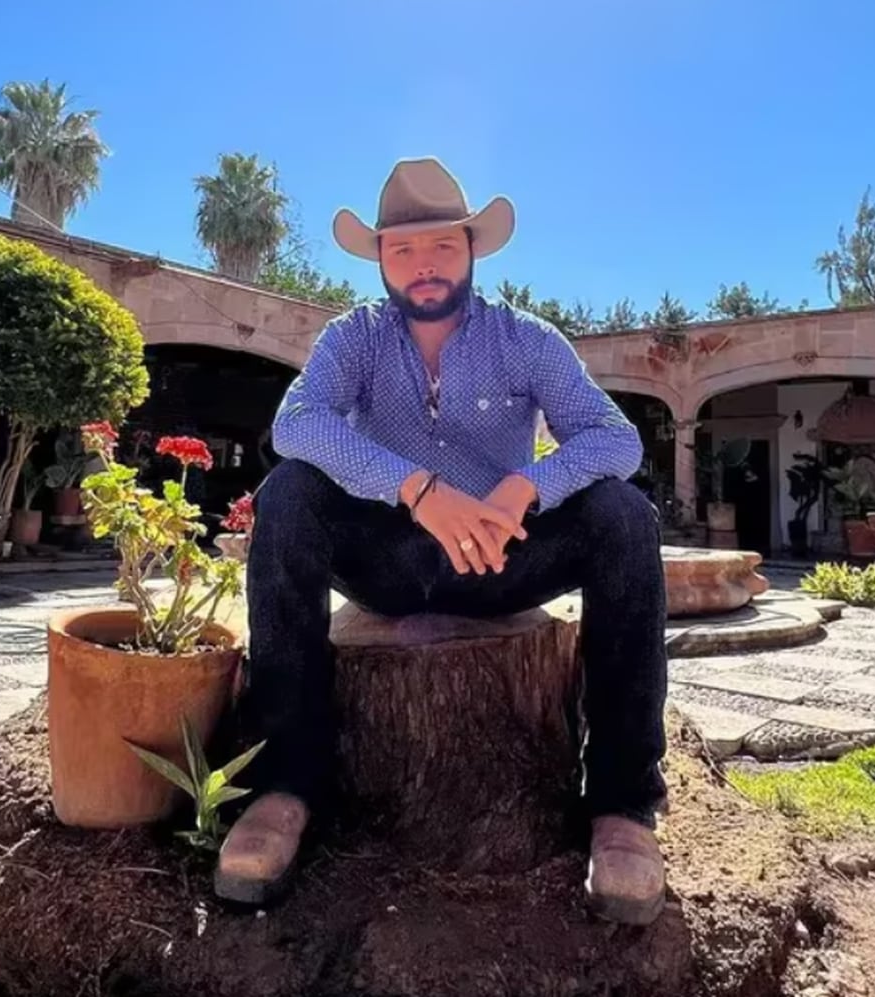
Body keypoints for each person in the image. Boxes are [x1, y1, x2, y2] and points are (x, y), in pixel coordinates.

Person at [215, 158, 669, 925]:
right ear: (382, 259)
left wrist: (525, 487)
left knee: (622, 513)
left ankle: (623, 803)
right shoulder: (354, 336)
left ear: (471, 250)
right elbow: (297, 423)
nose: (423, 266)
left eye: (441, 248)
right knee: (288, 492)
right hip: (387, 559)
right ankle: (286, 786)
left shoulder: (526, 338)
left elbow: (614, 439)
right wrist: (417, 490)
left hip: (503, 558)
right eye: (404, 250)